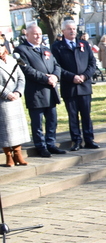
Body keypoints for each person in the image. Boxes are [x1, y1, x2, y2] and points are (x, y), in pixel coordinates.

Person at [15, 22, 65, 157]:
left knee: (52, 120)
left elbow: (56, 65)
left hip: (51, 90)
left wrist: (55, 76)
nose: (38, 36)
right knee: (37, 122)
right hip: (36, 92)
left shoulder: (45, 49)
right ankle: (40, 146)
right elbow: (26, 70)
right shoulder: (21, 50)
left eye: (39, 34)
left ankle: (51, 143)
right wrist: (45, 78)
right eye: (35, 34)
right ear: (27, 35)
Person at [52, 19, 99, 151]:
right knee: (73, 116)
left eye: (74, 28)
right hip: (70, 87)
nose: (72, 31)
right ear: (63, 31)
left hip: (84, 86)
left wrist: (84, 76)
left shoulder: (83, 44)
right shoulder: (57, 47)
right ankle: (76, 140)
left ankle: (89, 139)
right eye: (69, 29)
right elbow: (57, 67)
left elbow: (92, 63)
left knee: (86, 115)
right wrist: (72, 77)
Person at [0, 42, 30, 167]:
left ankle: (18, 153)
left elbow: (21, 78)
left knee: (17, 128)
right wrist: (7, 94)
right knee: (5, 128)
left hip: (15, 99)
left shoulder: (13, 60)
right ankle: (8, 155)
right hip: (3, 100)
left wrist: (18, 92)